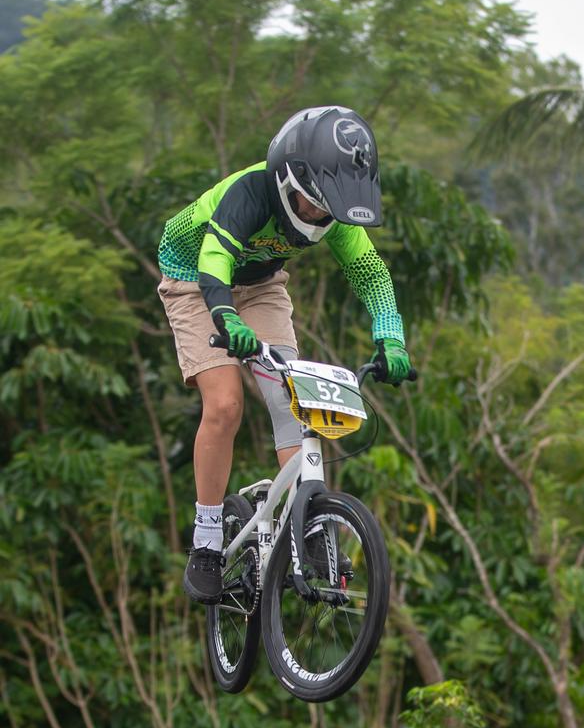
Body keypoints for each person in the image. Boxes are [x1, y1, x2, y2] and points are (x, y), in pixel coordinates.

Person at [157, 105, 412, 605]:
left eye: (330, 209)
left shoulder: (334, 213)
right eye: (315, 205)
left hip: (261, 285)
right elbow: (214, 261)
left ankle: (308, 518)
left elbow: (371, 274)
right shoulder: (249, 192)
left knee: (293, 401)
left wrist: (391, 336)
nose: (321, 218)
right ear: (290, 179)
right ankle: (206, 539)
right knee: (227, 403)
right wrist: (227, 320)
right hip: (195, 280)